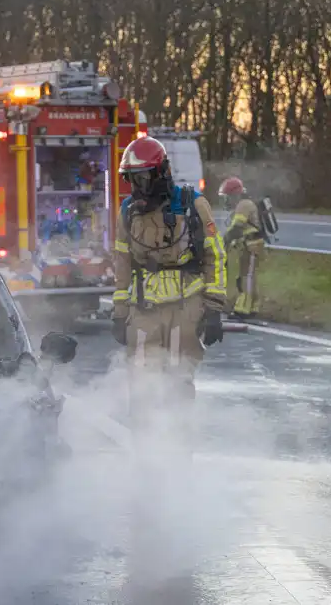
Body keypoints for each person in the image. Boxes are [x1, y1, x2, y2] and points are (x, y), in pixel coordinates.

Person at [109, 135, 227, 453]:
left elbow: (215, 254)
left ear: (161, 172)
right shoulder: (127, 212)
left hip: (186, 309)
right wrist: (120, 313)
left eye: (143, 177)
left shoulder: (193, 205)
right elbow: (122, 263)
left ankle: (178, 451)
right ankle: (145, 453)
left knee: (177, 382)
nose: (138, 186)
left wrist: (214, 308)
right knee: (142, 383)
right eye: (132, 179)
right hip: (144, 311)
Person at [220, 177, 265, 320]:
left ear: (235, 194)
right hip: (248, 246)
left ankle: (243, 310)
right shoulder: (242, 204)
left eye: (228, 197)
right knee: (247, 277)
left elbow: (237, 227)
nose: (227, 201)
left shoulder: (244, 205)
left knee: (247, 278)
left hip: (252, 246)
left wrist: (225, 240)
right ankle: (252, 307)